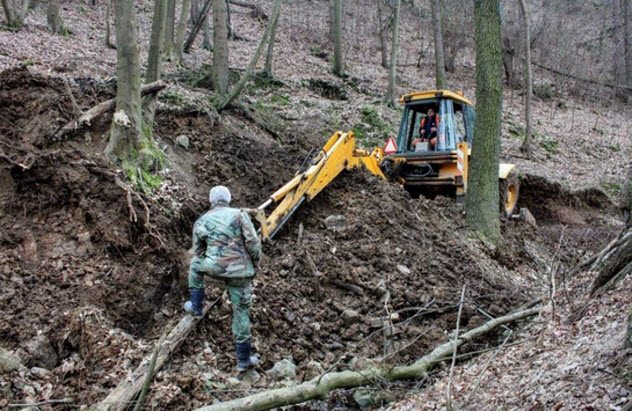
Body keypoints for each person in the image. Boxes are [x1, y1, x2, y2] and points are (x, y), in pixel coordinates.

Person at [184, 185, 262, 372]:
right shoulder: (239, 215)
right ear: (229, 199)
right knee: (241, 312)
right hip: (239, 272)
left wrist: (210, 260)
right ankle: (243, 361)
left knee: (195, 264)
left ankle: (196, 306)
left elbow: (198, 250)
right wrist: (255, 262)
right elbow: (252, 242)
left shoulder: (202, 220)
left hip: (214, 268)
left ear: (211, 201)